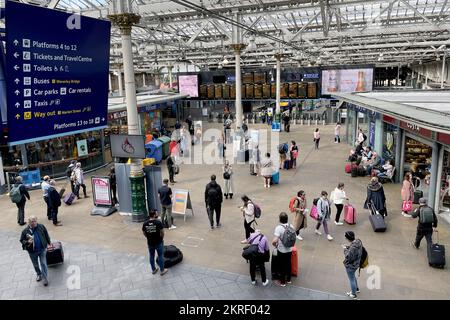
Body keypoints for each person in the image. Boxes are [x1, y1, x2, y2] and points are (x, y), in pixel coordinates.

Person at [19, 216, 51, 286]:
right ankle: (39, 274)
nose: (34, 223)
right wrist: (27, 242)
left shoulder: (41, 226)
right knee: (35, 264)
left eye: (35, 221)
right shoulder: (25, 231)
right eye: (32, 221)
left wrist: (49, 243)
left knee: (43, 263)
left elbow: (46, 234)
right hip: (32, 251)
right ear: (29, 222)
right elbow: (21, 240)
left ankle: (45, 278)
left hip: (42, 249)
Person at [142, 209, 168, 276]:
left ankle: (153, 270)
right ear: (154, 215)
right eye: (156, 213)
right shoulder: (158, 223)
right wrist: (161, 238)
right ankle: (162, 270)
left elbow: (144, 232)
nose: (157, 214)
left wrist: (148, 237)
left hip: (150, 243)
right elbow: (162, 232)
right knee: (160, 256)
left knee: (151, 256)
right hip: (158, 242)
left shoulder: (145, 223)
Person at [272, 212, 294, 287]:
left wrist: (275, 245)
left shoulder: (279, 228)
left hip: (281, 250)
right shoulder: (291, 226)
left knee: (281, 266)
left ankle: (282, 282)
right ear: (287, 219)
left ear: (280, 219)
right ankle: (289, 279)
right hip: (290, 249)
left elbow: (274, 241)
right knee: (288, 264)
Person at [342, 231, 362, 299]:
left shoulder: (353, 247)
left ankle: (353, 294)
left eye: (345, 237)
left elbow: (348, 257)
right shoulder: (358, 241)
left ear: (348, 238)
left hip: (351, 266)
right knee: (353, 277)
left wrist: (345, 249)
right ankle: (356, 289)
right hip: (357, 264)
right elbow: (354, 251)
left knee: (351, 280)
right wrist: (348, 247)